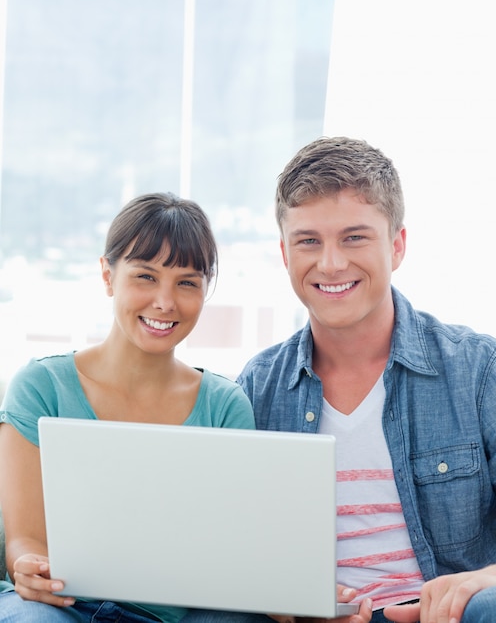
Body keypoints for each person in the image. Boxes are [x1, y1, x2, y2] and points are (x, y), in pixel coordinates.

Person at [184, 136, 496, 623]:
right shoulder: (256, 388)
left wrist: (484, 581)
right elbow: (240, 551)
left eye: (354, 237)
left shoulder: (477, 370)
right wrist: (286, 601)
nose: (330, 264)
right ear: (285, 255)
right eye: (308, 241)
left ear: (397, 245)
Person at [0, 192, 255, 623]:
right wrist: (28, 569)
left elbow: (231, 552)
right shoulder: (41, 387)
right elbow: (24, 540)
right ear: (107, 275)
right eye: (145, 276)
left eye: (187, 282)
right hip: (61, 607)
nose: (165, 302)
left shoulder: (225, 406)